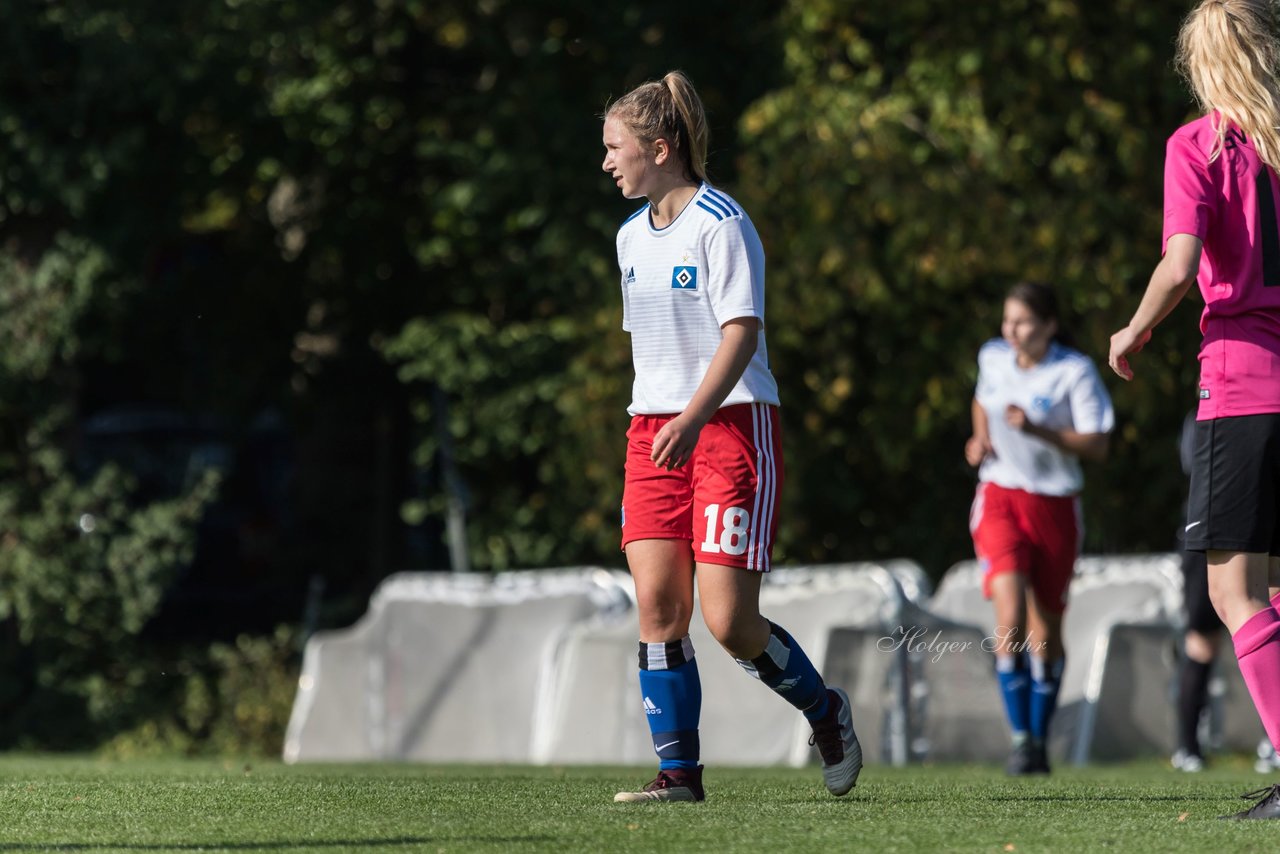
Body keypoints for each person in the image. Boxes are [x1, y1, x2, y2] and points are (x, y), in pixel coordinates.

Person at [601, 71, 861, 803]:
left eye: (615, 147)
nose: (607, 162)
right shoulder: (628, 239)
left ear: (660, 147)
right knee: (657, 607)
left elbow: (740, 333)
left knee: (728, 621)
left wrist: (692, 418)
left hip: (728, 427)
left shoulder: (721, 223)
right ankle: (678, 775)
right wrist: (664, 421)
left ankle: (826, 712)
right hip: (653, 433)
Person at [1108, 0, 1280, 820]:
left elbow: (1180, 266)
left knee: (1233, 594)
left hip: (1244, 386)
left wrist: (1133, 330)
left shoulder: (1200, 145)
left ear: (1201, 62)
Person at [965, 281, 1114, 776]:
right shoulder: (993, 357)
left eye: (1024, 321)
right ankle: (1021, 740)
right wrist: (980, 439)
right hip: (1000, 496)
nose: (1012, 330)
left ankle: (1039, 741)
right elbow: (981, 402)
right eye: (1007, 320)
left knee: (1046, 629)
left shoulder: (1074, 372)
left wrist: (1038, 430)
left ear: (1049, 325)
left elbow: (1098, 445)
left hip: (1054, 504)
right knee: (1009, 610)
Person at [1172, 411, 1225, 773]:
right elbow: (1197, 467)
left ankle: (1273, 743)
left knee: (1268, 633)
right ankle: (1188, 746)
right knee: (1201, 642)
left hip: (1258, 533)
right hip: (1208, 533)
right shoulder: (1202, 417)